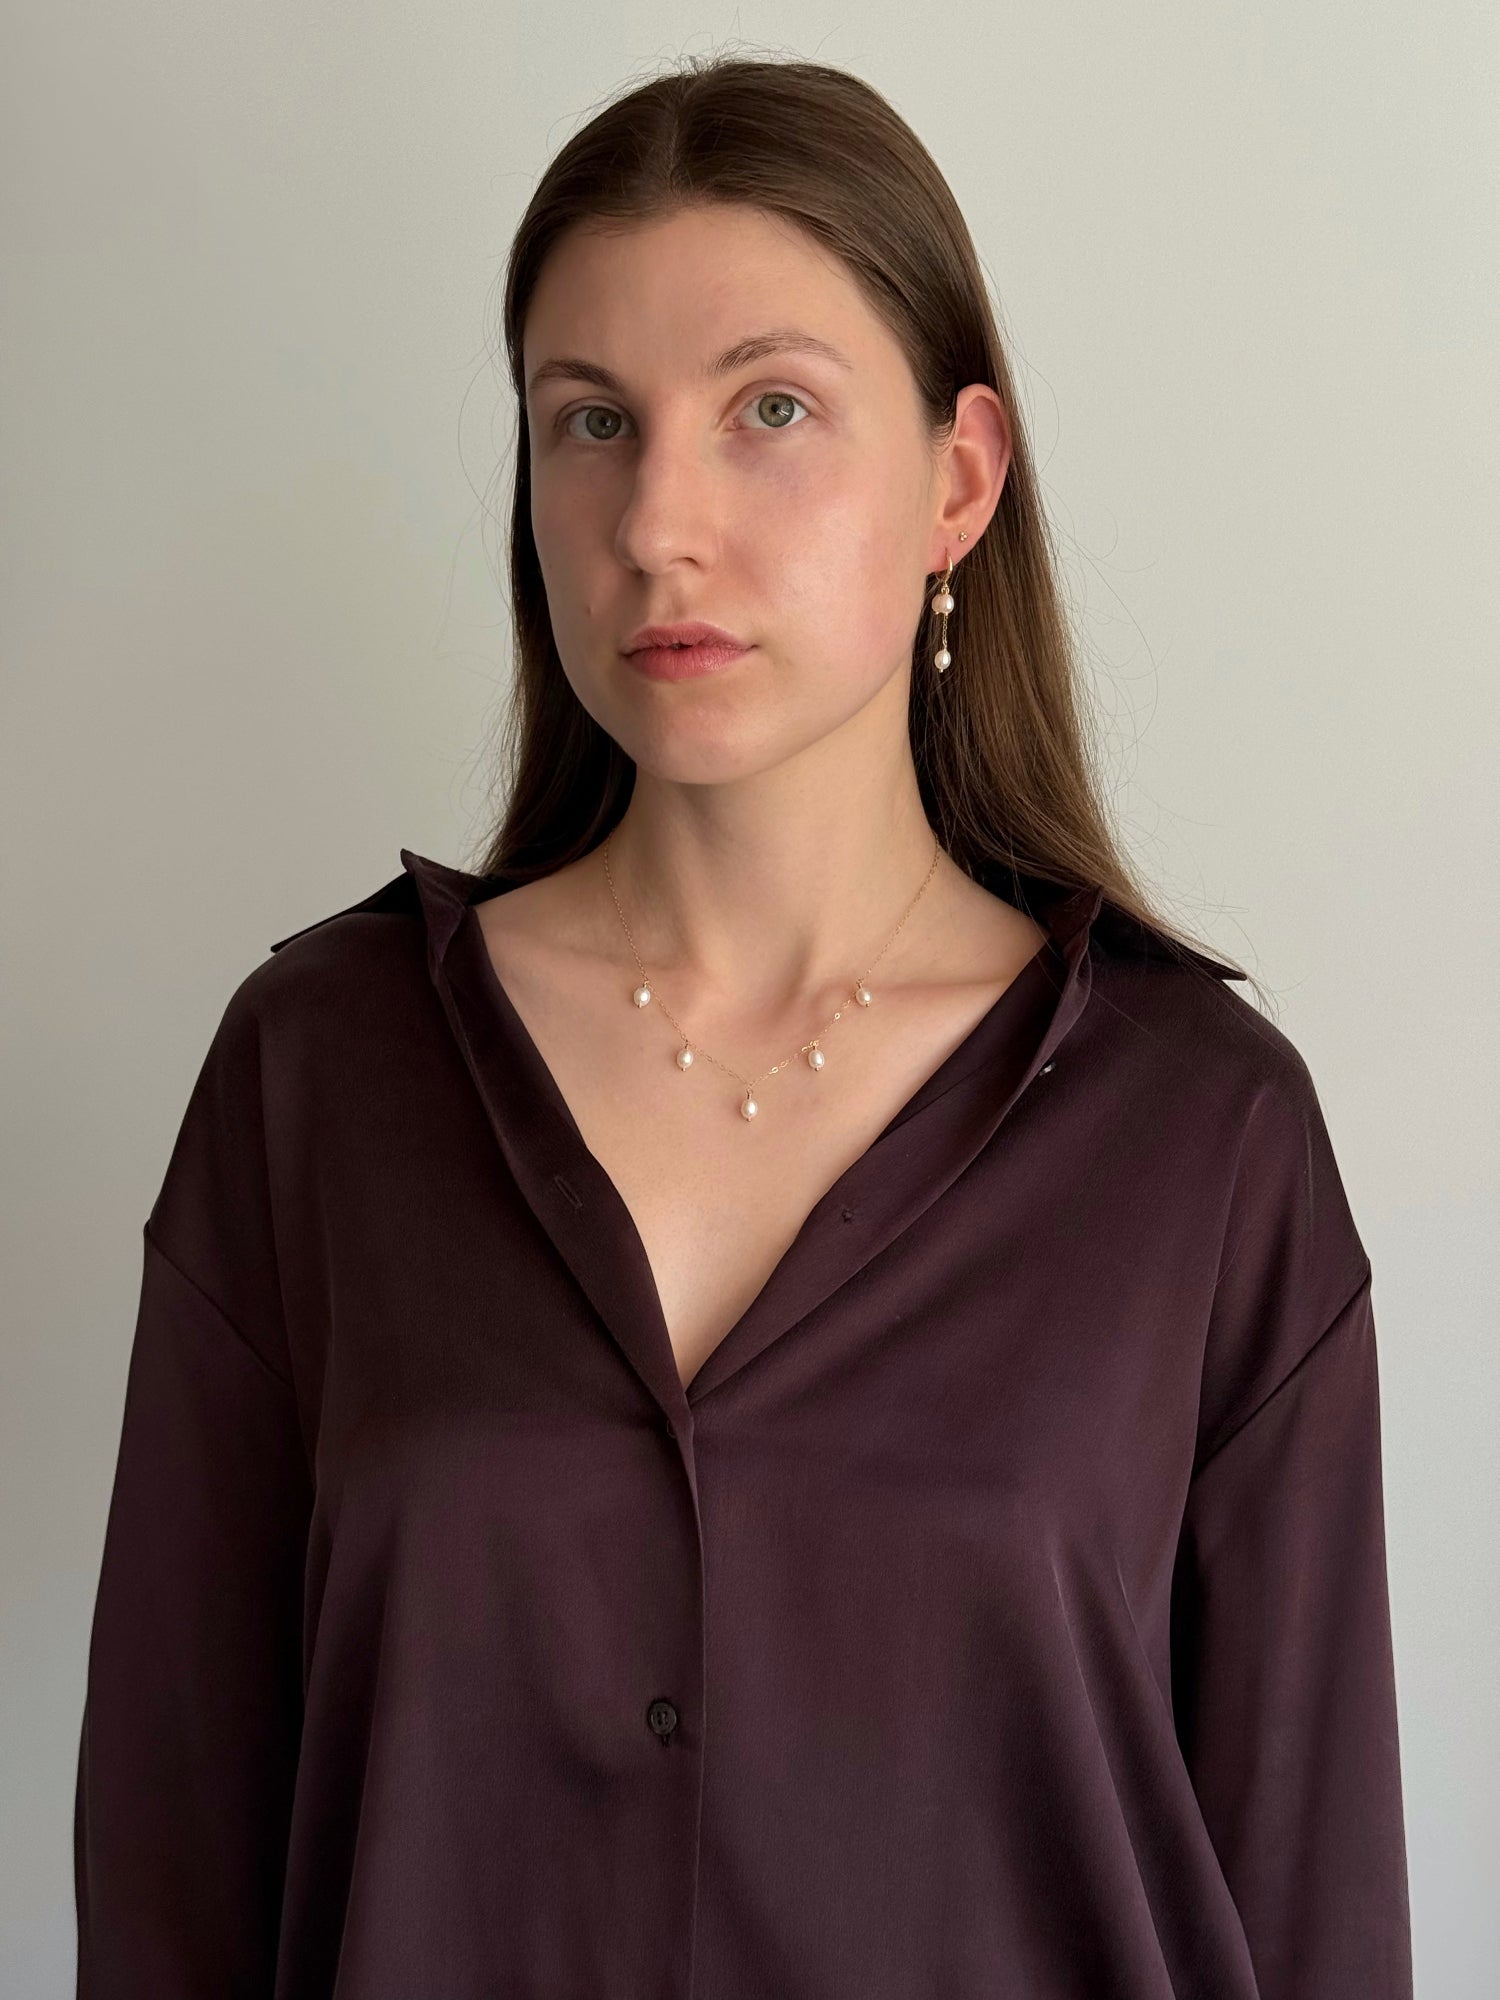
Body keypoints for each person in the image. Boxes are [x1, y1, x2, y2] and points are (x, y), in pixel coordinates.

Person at [74, 53, 1413, 2000]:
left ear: (959, 476)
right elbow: (175, 1877)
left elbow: (1311, 1914)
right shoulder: (318, 1080)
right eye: (588, 423)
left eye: (769, 408)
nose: (660, 522)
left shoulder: (1201, 1142)